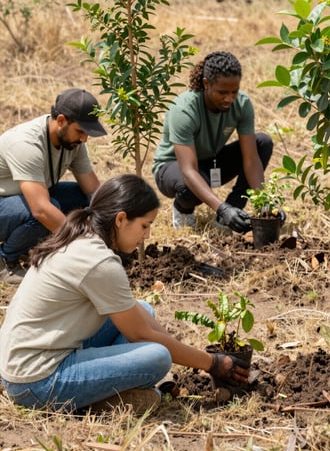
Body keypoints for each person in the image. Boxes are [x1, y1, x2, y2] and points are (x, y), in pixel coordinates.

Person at [0, 174, 249, 413]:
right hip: (36, 381)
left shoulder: (81, 237)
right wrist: (212, 363)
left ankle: (101, 392)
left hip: (23, 362)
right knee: (157, 357)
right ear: (120, 219)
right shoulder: (99, 262)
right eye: (144, 225)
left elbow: (140, 322)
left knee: (144, 310)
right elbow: (140, 334)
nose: (147, 235)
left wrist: (188, 352)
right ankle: (95, 401)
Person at [153, 51, 273, 232]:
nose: (229, 98)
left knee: (263, 143)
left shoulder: (242, 104)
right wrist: (221, 208)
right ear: (206, 84)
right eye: (222, 92)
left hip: (209, 162)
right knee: (189, 186)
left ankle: (231, 214)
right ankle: (183, 209)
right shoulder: (184, 110)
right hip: (174, 167)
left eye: (234, 92)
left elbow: (251, 159)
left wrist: (266, 207)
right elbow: (188, 171)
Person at [0, 88, 105, 284]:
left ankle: (29, 246)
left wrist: (110, 228)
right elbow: (41, 210)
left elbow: (93, 191)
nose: (84, 139)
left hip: (22, 198)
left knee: (82, 198)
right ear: (61, 121)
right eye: (80, 131)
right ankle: (5, 260)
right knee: (45, 211)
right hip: (4, 203)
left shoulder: (74, 143)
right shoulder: (26, 144)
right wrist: (83, 245)